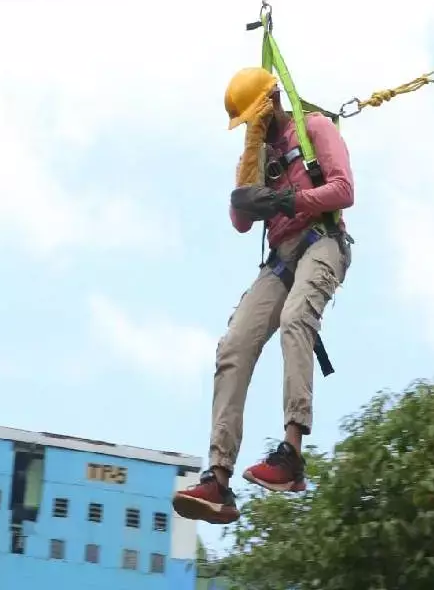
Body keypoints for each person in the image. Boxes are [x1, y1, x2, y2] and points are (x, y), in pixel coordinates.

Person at [171, 67, 355, 525]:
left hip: (322, 240)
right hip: (281, 257)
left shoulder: (313, 129)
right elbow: (240, 222)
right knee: (232, 347)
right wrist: (251, 156)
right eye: (247, 123)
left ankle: (291, 454)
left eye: (256, 118)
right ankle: (218, 479)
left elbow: (344, 190)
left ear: (272, 101)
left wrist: (290, 201)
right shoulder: (260, 155)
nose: (255, 126)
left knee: (297, 318)